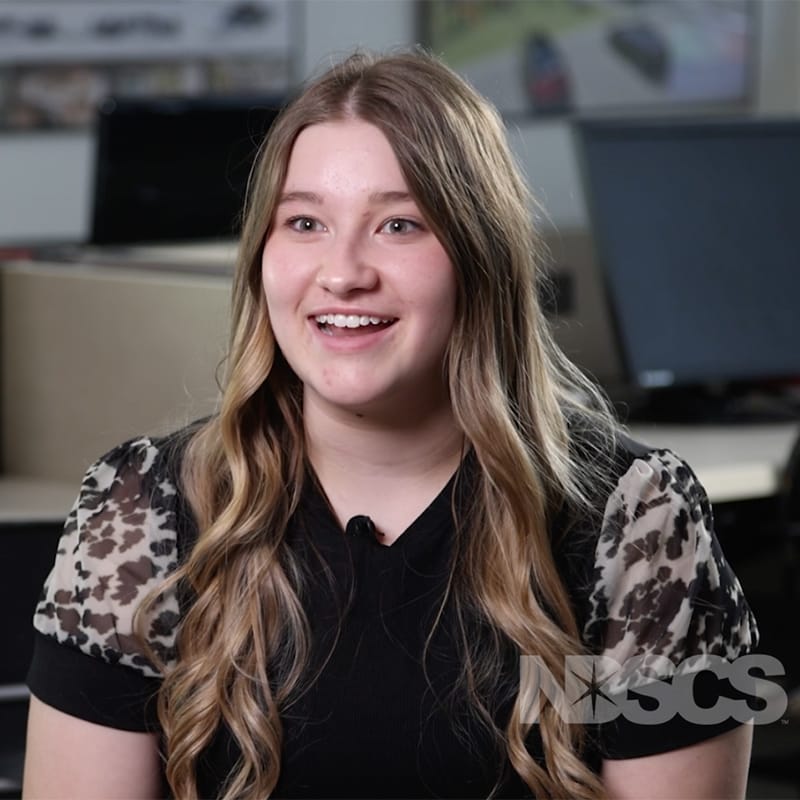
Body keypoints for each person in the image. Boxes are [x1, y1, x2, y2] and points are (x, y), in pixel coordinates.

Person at [23, 48, 759, 800]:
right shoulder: (142, 508)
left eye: (399, 225)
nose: (342, 272)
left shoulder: (636, 519)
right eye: (304, 221)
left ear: (481, 256)